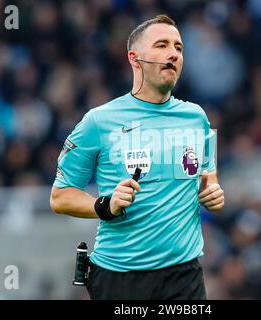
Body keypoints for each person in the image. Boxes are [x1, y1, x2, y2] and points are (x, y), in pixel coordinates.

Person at [50, 15, 225, 300]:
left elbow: (208, 176)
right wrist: (105, 205)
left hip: (184, 277)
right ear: (135, 59)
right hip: (120, 278)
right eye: (161, 45)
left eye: (178, 48)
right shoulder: (99, 121)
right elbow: (60, 197)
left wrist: (212, 191)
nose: (173, 54)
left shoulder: (196, 118)